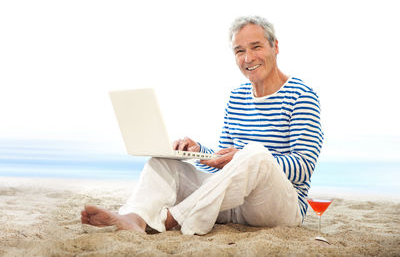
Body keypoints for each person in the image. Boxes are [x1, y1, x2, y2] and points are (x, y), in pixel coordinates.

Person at [81, 16, 323, 235]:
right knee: (164, 162)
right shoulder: (236, 97)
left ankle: (170, 219)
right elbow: (225, 163)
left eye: (256, 47)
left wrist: (243, 158)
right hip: (234, 204)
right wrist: (199, 151)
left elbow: (304, 166)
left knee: (256, 154)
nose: (248, 58)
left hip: (279, 208)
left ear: (275, 46)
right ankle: (135, 217)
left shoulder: (301, 95)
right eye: (239, 51)